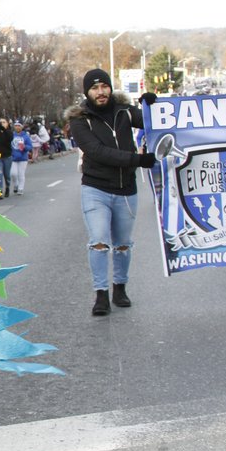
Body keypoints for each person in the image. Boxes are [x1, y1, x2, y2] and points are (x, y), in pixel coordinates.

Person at [66, 68, 156, 316]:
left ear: (110, 87)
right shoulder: (79, 120)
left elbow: (155, 122)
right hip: (95, 188)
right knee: (98, 241)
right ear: (87, 92)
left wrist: (152, 105)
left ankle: (120, 288)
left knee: (123, 244)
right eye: (94, 88)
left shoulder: (125, 112)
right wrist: (137, 160)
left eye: (104, 86)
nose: (100, 92)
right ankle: (101, 294)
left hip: (126, 189)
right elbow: (97, 152)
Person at [10, 120, 32, 195]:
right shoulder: (12, 135)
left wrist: (24, 147)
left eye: (19, 125)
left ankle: (20, 188)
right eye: (16, 125)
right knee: (13, 173)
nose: (17, 127)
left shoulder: (25, 136)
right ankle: (16, 184)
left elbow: (30, 146)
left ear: (21, 127)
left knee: (21, 174)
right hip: (13, 157)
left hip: (23, 158)